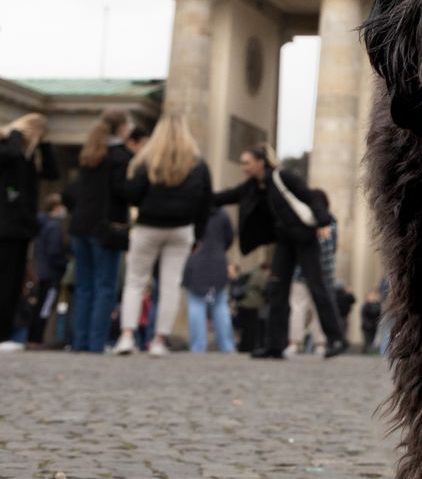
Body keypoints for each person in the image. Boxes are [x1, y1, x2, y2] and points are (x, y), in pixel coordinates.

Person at [214, 144, 346, 359]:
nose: (243, 167)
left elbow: (309, 195)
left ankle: (336, 338)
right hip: (284, 241)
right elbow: (229, 196)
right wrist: (202, 200)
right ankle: (275, 345)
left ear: (260, 162)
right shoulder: (254, 186)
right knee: (277, 288)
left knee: (317, 286)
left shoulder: (283, 177)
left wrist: (323, 221)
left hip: (305, 239)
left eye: (246, 163)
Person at [114, 114, 210, 355]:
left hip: (148, 226)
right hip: (181, 229)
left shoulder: (148, 160)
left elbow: (132, 194)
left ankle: (127, 335)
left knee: (135, 281)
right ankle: (159, 340)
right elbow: (205, 203)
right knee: (170, 284)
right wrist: (198, 235)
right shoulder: (197, 163)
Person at [62, 109, 130, 353]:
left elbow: (69, 193)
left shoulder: (89, 154)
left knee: (84, 287)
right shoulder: (119, 156)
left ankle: (79, 341)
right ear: (121, 127)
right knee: (105, 287)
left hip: (81, 225)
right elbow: (123, 191)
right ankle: (96, 342)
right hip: (105, 227)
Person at [0, 113, 61, 349]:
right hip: (5, 227)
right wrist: (16, 133)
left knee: (14, 283)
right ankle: (2, 335)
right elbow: (10, 154)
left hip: (21, 228)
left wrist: (45, 144)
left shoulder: (27, 160)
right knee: (4, 282)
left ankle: (5, 334)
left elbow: (53, 172)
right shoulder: (7, 150)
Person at [182, 204, 236, 354]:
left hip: (195, 260)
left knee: (196, 304)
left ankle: (198, 346)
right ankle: (227, 345)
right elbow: (229, 238)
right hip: (218, 260)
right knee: (220, 304)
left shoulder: (190, 211)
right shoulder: (222, 214)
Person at [288, 219, 338, 355]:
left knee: (298, 308)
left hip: (303, 271)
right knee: (317, 309)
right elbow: (331, 249)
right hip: (321, 273)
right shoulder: (330, 222)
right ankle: (319, 343)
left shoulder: (302, 220)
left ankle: (295, 342)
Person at [29, 194, 68, 348]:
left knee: (40, 306)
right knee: (44, 308)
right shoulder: (53, 227)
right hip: (51, 274)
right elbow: (54, 252)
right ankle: (36, 339)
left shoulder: (42, 225)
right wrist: (65, 264)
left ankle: (33, 339)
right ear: (56, 207)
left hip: (43, 271)